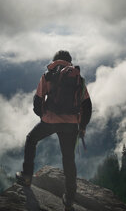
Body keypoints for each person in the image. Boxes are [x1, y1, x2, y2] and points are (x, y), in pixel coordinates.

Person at [16, 50, 92, 211]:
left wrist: (44, 116)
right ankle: (70, 197)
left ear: (55, 60)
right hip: (71, 125)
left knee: (31, 139)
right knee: (68, 158)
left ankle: (27, 177)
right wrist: (82, 126)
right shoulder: (79, 79)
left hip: (50, 120)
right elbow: (87, 106)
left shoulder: (48, 76)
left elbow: (37, 100)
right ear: (69, 62)